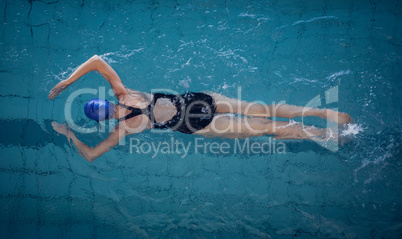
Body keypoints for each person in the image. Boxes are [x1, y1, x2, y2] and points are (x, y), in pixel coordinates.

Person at [49, 55, 352, 162]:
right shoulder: (126, 94)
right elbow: (97, 60)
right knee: (265, 109)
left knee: (267, 128)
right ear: (109, 101)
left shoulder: (121, 129)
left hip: (200, 125)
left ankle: (326, 134)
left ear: (102, 120)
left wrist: (68, 134)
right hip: (199, 99)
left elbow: (90, 155)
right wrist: (67, 80)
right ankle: (324, 113)